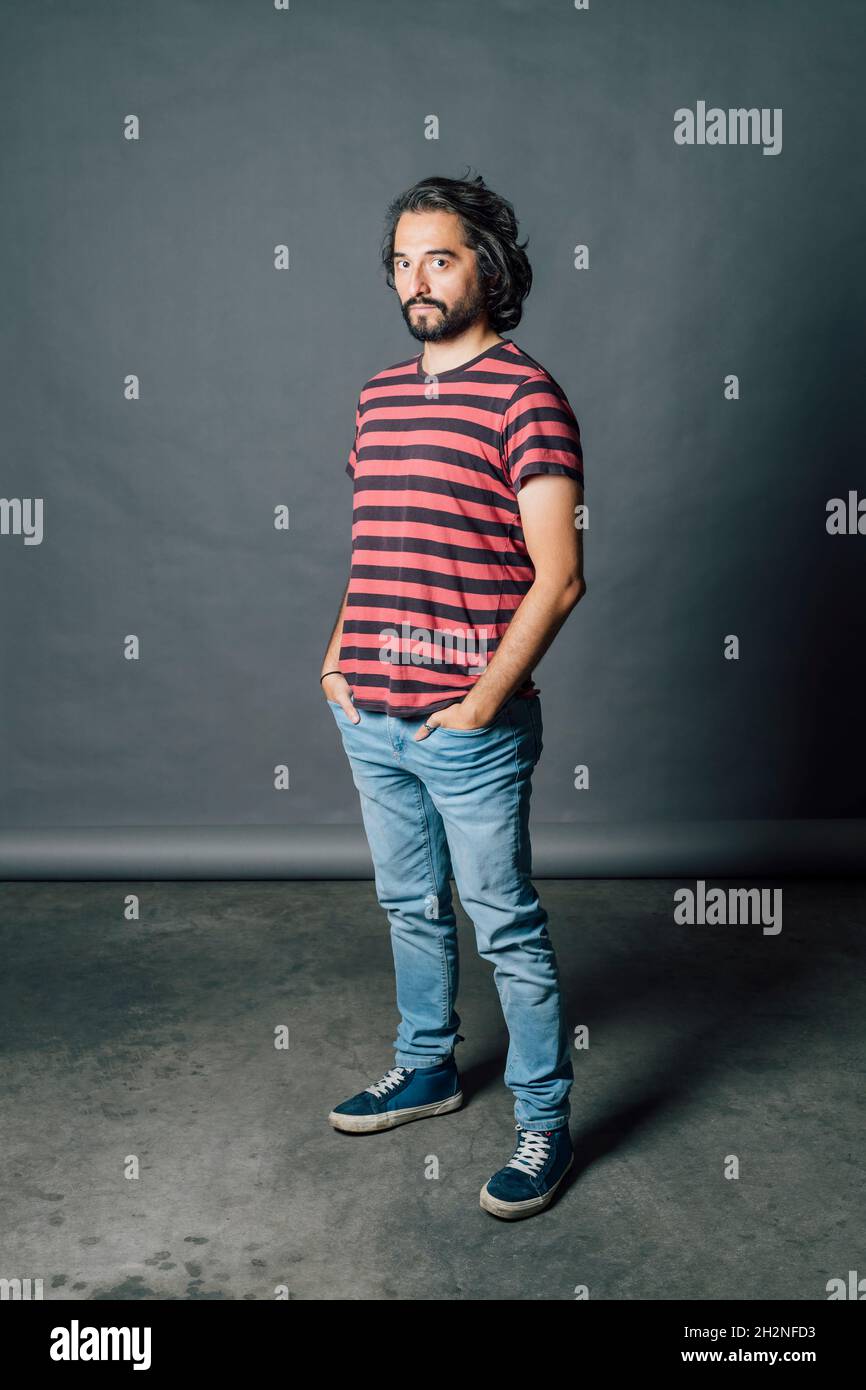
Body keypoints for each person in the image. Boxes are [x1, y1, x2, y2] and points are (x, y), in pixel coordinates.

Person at [320, 172, 586, 1220]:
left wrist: (479, 703)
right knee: (406, 905)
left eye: (439, 257)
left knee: (504, 926)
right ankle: (427, 1067)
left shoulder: (526, 395)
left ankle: (542, 1124)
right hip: (370, 712)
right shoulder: (379, 395)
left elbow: (557, 574)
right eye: (401, 260)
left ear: (488, 265)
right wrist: (335, 656)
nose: (416, 279)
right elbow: (377, 541)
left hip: (464, 727)